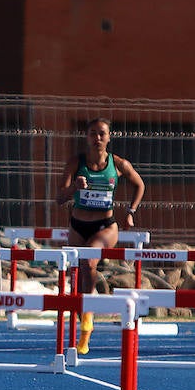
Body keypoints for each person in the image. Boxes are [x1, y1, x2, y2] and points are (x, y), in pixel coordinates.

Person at [55, 117, 144, 354]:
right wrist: (75, 187)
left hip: (106, 225)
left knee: (88, 262)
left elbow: (140, 185)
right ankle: (81, 317)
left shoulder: (118, 164)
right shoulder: (76, 162)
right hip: (77, 225)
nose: (97, 138)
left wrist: (130, 212)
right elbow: (59, 198)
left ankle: (87, 323)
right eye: (93, 133)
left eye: (102, 134)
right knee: (76, 276)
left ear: (109, 137)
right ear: (86, 136)